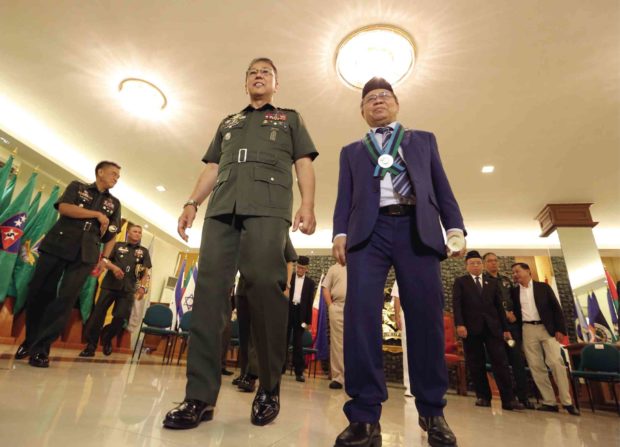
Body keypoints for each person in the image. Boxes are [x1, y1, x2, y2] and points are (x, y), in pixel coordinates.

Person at [163, 57, 318, 429]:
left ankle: (268, 386)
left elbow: (303, 163)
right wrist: (191, 202)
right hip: (221, 210)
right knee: (209, 296)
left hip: (267, 207)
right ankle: (199, 397)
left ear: (276, 84)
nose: (258, 75)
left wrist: (308, 204)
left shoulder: (290, 118)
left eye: (266, 72)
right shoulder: (228, 123)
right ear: (245, 82)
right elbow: (213, 167)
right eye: (252, 72)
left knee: (264, 283)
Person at [332, 77, 466, 447]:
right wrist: (339, 233)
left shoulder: (422, 140)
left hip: (416, 229)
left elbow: (441, 186)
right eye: (370, 99)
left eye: (384, 96)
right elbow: (345, 198)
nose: (377, 101)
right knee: (360, 319)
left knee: (426, 319)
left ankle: (432, 411)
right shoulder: (351, 151)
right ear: (362, 111)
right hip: (367, 236)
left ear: (396, 103)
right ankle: (363, 416)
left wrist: (454, 225)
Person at [15, 161, 122, 368]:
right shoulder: (77, 187)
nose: (116, 178)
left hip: (86, 254)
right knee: (39, 293)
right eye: (113, 174)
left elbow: (111, 235)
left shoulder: (114, 204)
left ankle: (41, 348)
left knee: (65, 300)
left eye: (118, 176)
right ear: (100, 172)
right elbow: (64, 208)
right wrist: (96, 214)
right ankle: (31, 340)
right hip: (58, 245)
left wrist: (105, 260)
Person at [452, 251, 523, 410]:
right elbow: (457, 305)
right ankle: (483, 397)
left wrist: (505, 329)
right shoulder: (461, 282)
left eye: (478, 263)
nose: (476, 265)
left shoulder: (492, 282)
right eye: (472, 263)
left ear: (482, 265)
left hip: (493, 329)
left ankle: (509, 400)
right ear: (467, 266)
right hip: (471, 329)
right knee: (476, 363)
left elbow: (499, 306)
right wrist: (460, 325)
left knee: (500, 362)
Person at [511, 263, 580, 416]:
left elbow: (556, 308)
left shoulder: (543, 287)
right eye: (513, 272)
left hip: (547, 329)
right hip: (527, 330)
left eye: (518, 271)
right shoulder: (514, 292)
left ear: (528, 271)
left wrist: (560, 329)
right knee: (536, 366)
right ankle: (550, 402)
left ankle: (567, 402)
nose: (515, 274)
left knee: (556, 362)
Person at [233, 235, 297, 392]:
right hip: (242, 289)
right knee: (244, 334)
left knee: (257, 335)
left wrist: (287, 285)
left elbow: (290, 260)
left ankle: (252, 375)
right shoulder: (245, 229)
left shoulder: (278, 229)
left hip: (264, 290)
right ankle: (244, 372)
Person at [79, 223, 151, 357]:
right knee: (98, 316)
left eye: (140, 232)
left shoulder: (144, 251)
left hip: (128, 289)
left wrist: (142, 287)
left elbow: (145, 271)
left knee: (120, 317)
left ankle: (107, 337)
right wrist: (114, 268)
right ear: (128, 233)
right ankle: (91, 346)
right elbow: (105, 261)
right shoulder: (117, 246)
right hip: (110, 285)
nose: (137, 234)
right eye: (135, 231)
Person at [483, 252, 533, 408]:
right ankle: (508, 397)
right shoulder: (482, 282)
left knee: (517, 360)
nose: (493, 263)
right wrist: (502, 314)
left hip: (512, 329)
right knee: (501, 363)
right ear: (485, 264)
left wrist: (514, 316)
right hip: (496, 329)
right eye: (489, 261)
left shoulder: (506, 281)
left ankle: (523, 397)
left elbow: (516, 302)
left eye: (495, 260)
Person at [285, 255, 316, 382]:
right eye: (298, 267)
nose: (299, 270)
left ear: (306, 269)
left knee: (298, 343)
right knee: (283, 340)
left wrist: (308, 321)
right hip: (288, 310)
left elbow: (309, 303)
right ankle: (280, 368)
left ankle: (299, 372)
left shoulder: (310, 283)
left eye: (302, 268)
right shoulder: (289, 278)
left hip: (300, 314)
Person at [322, 262, 347, 390]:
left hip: (356, 308)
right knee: (337, 344)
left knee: (356, 343)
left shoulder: (357, 265)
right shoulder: (333, 268)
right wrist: (330, 306)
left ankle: (353, 377)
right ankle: (338, 378)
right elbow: (325, 287)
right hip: (337, 307)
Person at [390, 281, 412, 397]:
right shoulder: (401, 274)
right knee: (408, 349)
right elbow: (397, 296)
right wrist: (397, 315)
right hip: (407, 314)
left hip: (424, 313)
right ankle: (410, 386)